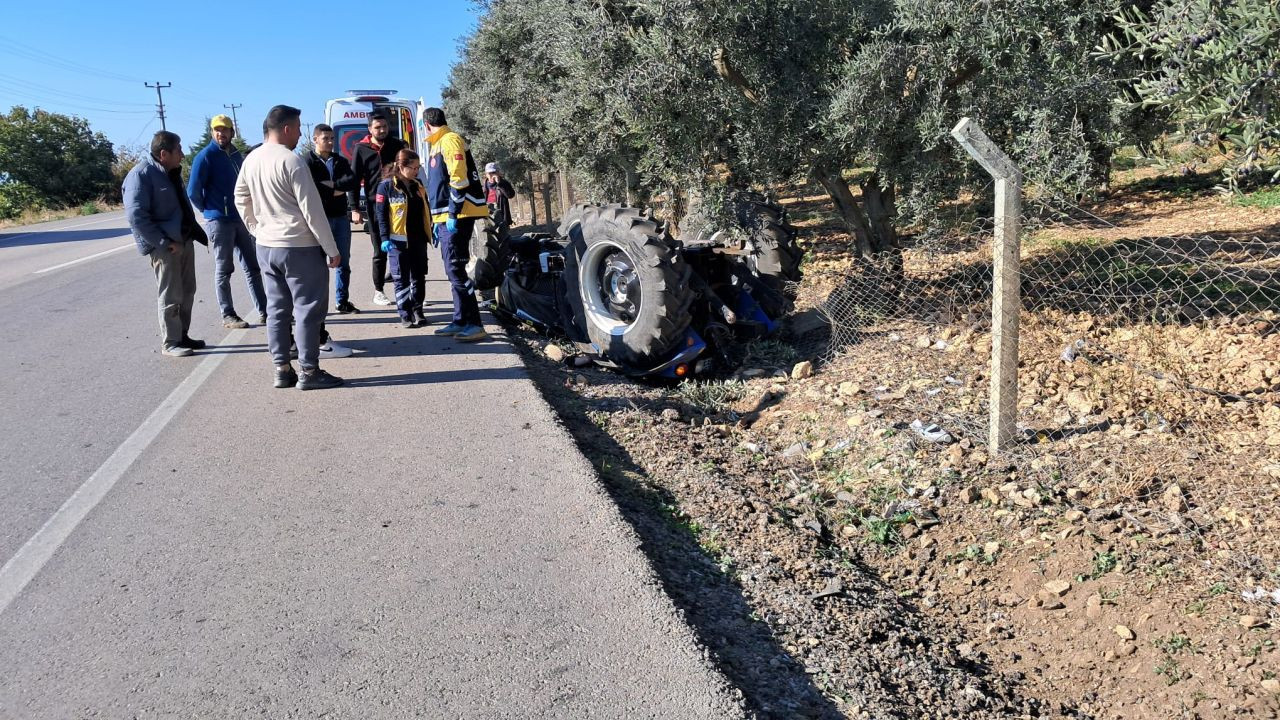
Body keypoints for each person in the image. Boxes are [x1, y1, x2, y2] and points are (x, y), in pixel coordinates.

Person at [234, 105, 344, 391]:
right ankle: (309, 371)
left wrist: (255, 228)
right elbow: (312, 210)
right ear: (286, 128)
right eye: (297, 128)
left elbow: (240, 197)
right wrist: (331, 248)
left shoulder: (251, 159)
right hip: (299, 246)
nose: (299, 134)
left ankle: (282, 369)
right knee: (307, 309)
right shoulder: (292, 161)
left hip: (267, 245)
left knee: (277, 309)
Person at [123, 130, 209, 357]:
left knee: (187, 291)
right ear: (164, 154)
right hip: (166, 247)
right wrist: (162, 242)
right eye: (178, 149)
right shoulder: (141, 175)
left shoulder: (171, 172)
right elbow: (136, 217)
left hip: (183, 241)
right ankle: (170, 343)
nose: (182, 154)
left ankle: (182, 335)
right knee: (171, 294)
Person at [187, 114, 267, 329]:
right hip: (219, 222)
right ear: (212, 132)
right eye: (217, 130)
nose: (221, 133)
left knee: (253, 268)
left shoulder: (237, 155)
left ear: (232, 132)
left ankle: (265, 311)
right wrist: (210, 210)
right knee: (224, 270)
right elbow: (193, 191)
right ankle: (228, 314)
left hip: (240, 218)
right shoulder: (205, 156)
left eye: (225, 130)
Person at [422, 107, 488, 342]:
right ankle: (460, 319)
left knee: (456, 270)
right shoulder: (437, 144)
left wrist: (452, 212)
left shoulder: (450, 141)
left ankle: (475, 323)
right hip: (445, 218)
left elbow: (459, 179)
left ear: (426, 124)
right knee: (452, 271)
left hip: (458, 216)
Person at [348, 110, 407, 308]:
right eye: (377, 127)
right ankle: (379, 291)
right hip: (375, 207)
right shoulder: (361, 149)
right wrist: (354, 208)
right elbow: (354, 180)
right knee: (379, 249)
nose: (382, 130)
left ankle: (407, 288)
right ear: (369, 128)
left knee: (403, 246)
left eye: (384, 126)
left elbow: (408, 172)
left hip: (399, 203)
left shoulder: (398, 145)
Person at [305, 123, 360, 314]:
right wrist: (335, 189)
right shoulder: (307, 161)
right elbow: (312, 188)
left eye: (331, 139)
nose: (329, 142)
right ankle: (317, 305)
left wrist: (331, 186)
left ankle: (342, 301)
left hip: (340, 218)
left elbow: (352, 181)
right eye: (325, 138)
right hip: (319, 219)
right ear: (315, 139)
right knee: (318, 265)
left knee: (343, 262)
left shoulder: (339, 160)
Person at [374, 149, 431, 328]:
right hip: (397, 241)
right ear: (401, 166)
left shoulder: (418, 184)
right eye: (413, 167)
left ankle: (418, 310)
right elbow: (381, 214)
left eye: (418, 167)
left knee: (419, 276)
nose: (416, 171)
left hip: (418, 239)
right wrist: (384, 238)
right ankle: (405, 313)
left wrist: (432, 227)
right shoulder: (386, 186)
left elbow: (425, 209)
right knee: (401, 278)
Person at [484, 162, 516, 238]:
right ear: (486, 174)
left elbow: (510, 195)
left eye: (494, 172)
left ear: (498, 172)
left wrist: (500, 183)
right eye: (490, 173)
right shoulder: (483, 187)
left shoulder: (504, 183)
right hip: (487, 218)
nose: (492, 175)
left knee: (504, 241)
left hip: (502, 218)